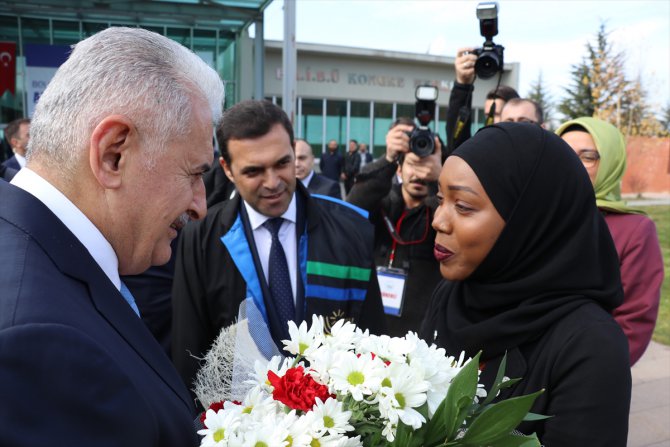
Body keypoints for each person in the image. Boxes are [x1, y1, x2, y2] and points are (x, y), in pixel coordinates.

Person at [0, 27, 224, 446]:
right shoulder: (39, 343)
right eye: (195, 173)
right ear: (113, 153)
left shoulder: (32, 251)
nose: (200, 205)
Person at [420, 123, 631, 446]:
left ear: (527, 219)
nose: (438, 220)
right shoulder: (450, 296)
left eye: (462, 206)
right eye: (440, 199)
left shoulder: (591, 346)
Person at [171, 100, 386, 397]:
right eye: (254, 171)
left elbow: (375, 340)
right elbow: (190, 349)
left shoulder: (351, 231)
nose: (273, 183)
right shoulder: (200, 238)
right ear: (227, 169)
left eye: (282, 164)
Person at [556, 117, 664, 366]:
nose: (572, 163)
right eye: (563, 153)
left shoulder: (634, 229)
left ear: (611, 163)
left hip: (583, 369)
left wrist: (593, 372)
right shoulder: (537, 213)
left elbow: (634, 321)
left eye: (587, 156)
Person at [348, 118, 443, 336]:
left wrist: (441, 180)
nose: (418, 174)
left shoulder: (440, 209)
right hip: (374, 327)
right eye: (412, 165)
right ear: (399, 169)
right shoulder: (382, 203)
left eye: (425, 167)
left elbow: (458, 227)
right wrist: (388, 158)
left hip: (421, 332)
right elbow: (352, 209)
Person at [445, 47, 519, 155]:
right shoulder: (483, 153)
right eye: (487, 116)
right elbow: (458, 147)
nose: (490, 121)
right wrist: (462, 85)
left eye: (496, 114)